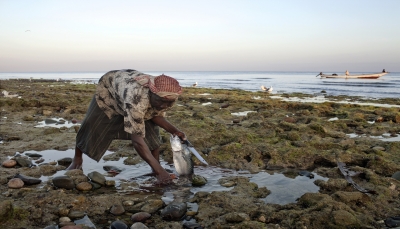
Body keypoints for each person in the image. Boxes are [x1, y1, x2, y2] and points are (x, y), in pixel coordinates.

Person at [67, 69, 186, 185]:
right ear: (151, 92)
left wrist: (175, 131)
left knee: (152, 130)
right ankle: (77, 159)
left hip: (130, 94)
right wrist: (162, 173)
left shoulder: (166, 96)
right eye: (160, 101)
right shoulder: (136, 98)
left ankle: (155, 168)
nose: (163, 106)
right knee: (91, 123)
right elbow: (137, 141)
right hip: (110, 90)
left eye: (168, 103)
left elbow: (156, 116)